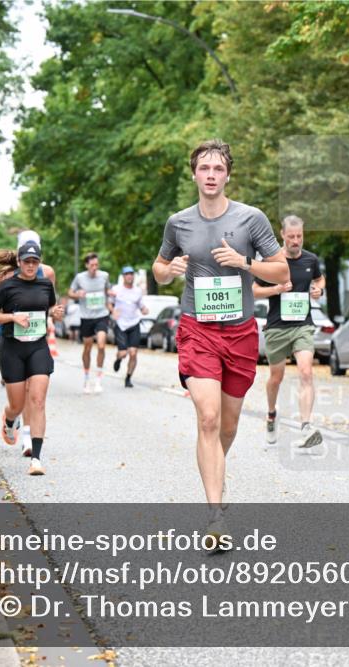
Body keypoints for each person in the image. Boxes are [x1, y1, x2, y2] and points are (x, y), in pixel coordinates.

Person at [152, 138, 289, 542]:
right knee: (207, 417)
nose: (211, 176)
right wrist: (170, 269)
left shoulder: (251, 219)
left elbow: (282, 273)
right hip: (198, 330)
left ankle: (216, 473)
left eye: (218, 169)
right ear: (193, 173)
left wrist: (245, 263)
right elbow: (158, 269)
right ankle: (215, 517)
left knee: (227, 426)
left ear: (228, 175)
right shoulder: (179, 222)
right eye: (204, 169)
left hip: (241, 332)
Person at [0, 240, 63, 476]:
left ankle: (36, 459)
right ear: (19, 262)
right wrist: (12, 318)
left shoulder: (45, 284)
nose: (30, 265)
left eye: (34, 261)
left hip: (38, 347)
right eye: (26, 261)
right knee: (17, 405)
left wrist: (56, 314)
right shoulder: (8, 285)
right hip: (12, 350)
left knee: (38, 401)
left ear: (39, 263)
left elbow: (50, 309)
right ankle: (9, 419)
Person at [252, 215, 325, 447]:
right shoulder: (271, 262)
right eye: (291, 236)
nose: (296, 241)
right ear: (282, 235)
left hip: (302, 325)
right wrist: (276, 289)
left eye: (299, 236)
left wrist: (318, 290)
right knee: (276, 378)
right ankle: (271, 414)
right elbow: (253, 290)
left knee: (306, 372)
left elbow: (320, 280)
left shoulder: (311, 260)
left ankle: (306, 426)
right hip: (277, 328)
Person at [68, 253, 113, 393]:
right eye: (92, 265)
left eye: (96, 265)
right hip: (86, 316)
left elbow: (107, 290)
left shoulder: (104, 276)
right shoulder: (80, 278)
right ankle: (87, 377)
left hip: (101, 315)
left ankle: (98, 379)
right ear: (86, 265)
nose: (94, 268)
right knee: (87, 347)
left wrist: (111, 296)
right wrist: (77, 294)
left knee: (101, 345)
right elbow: (70, 292)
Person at [111, 266, 149, 388]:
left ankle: (128, 378)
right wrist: (112, 311)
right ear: (123, 276)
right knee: (123, 353)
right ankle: (118, 359)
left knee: (133, 353)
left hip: (134, 323)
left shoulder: (137, 291)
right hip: (121, 324)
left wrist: (144, 309)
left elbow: (141, 305)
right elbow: (109, 303)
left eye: (131, 274)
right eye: (127, 274)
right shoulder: (116, 289)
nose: (129, 276)